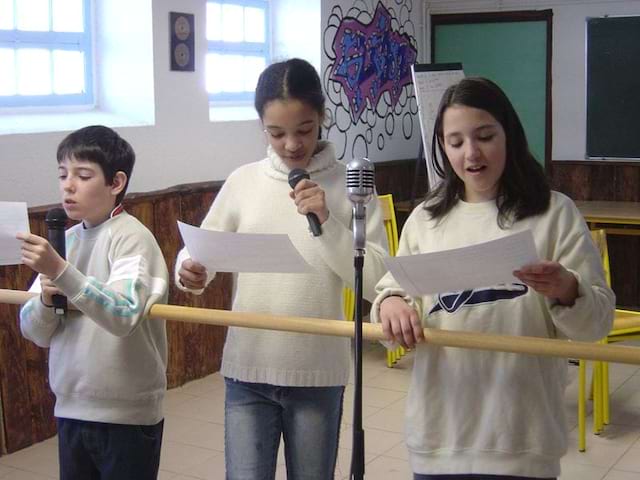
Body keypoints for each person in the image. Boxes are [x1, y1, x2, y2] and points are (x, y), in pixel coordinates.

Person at [371, 77, 615, 480]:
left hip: (523, 440)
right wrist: (391, 305)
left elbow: (596, 324)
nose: (471, 154)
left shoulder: (554, 213)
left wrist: (567, 289)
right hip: (440, 437)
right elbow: (391, 297)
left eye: (485, 136)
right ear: (442, 147)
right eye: (455, 142)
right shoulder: (426, 219)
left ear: (509, 134)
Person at [176, 58, 388, 480]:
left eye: (304, 129)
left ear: (323, 117)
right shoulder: (244, 181)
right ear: (261, 126)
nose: (292, 144)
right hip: (247, 369)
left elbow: (378, 276)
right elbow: (201, 248)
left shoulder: (351, 186)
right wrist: (191, 270)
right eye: (276, 133)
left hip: (317, 370)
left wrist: (327, 223)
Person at [18, 125, 169, 480]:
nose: (68, 185)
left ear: (116, 183)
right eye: (63, 174)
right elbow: (33, 331)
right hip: (71, 408)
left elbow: (123, 315)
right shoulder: (64, 241)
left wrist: (61, 272)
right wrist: (44, 298)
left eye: (83, 175)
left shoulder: (133, 239)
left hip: (127, 415)